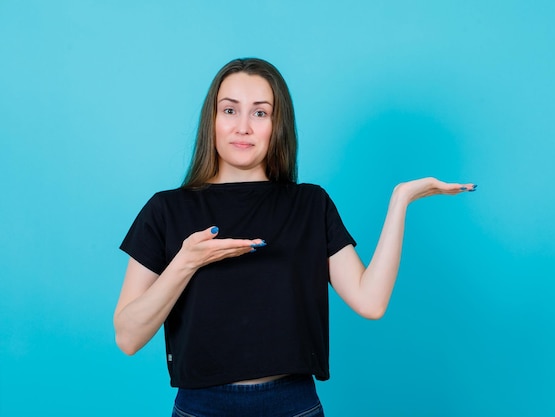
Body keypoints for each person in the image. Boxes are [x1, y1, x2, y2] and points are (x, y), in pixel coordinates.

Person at [114, 57, 476, 417]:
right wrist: (185, 262)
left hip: (292, 405)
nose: (243, 127)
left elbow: (371, 302)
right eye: (229, 110)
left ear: (278, 125)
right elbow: (128, 338)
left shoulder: (310, 204)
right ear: (211, 120)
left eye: (260, 113)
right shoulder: (166, 210)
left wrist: (401, 200)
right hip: (201, 407)